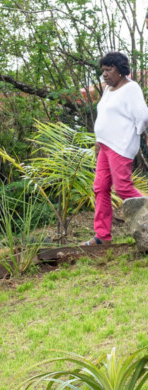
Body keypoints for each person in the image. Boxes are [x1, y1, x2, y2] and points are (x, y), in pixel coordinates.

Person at [85, 51, 148, 245]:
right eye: (103, 70)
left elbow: (143, 117)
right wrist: (98, 140)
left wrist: (133, 134)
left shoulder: (131, 88)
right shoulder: (107, 89)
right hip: (104, 146)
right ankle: (102, 236)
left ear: (120, 70)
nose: (104, 74)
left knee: (123, 188)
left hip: (120, 147)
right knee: (100, 187)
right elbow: (104, 116)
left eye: (109, 69)